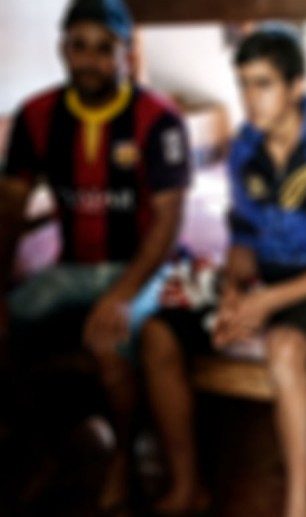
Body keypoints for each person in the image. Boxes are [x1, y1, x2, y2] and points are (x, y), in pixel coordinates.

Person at [138, 25, 306, 517]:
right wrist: (232, 292)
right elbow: (243, 240)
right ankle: (188, 486)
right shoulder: (244, 149)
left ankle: (297, 502)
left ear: (296, 86)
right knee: (158, 334)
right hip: (256, 279)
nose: (250, 98)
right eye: (244, 84)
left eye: (263, 84)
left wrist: (263, 303)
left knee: (285, 347)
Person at [0, 0, 190, 512]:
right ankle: (42, 449)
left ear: (127, 54)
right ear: (63, 50)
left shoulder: (159, 119)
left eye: (104, 48)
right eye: (79, 46)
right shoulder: (36, 117)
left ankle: (122, 458)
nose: (90, 60)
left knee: (108, 340)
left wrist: (121, 294)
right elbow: (10, 210)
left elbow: (168, 223)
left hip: (144, 267)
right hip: (72, 269)